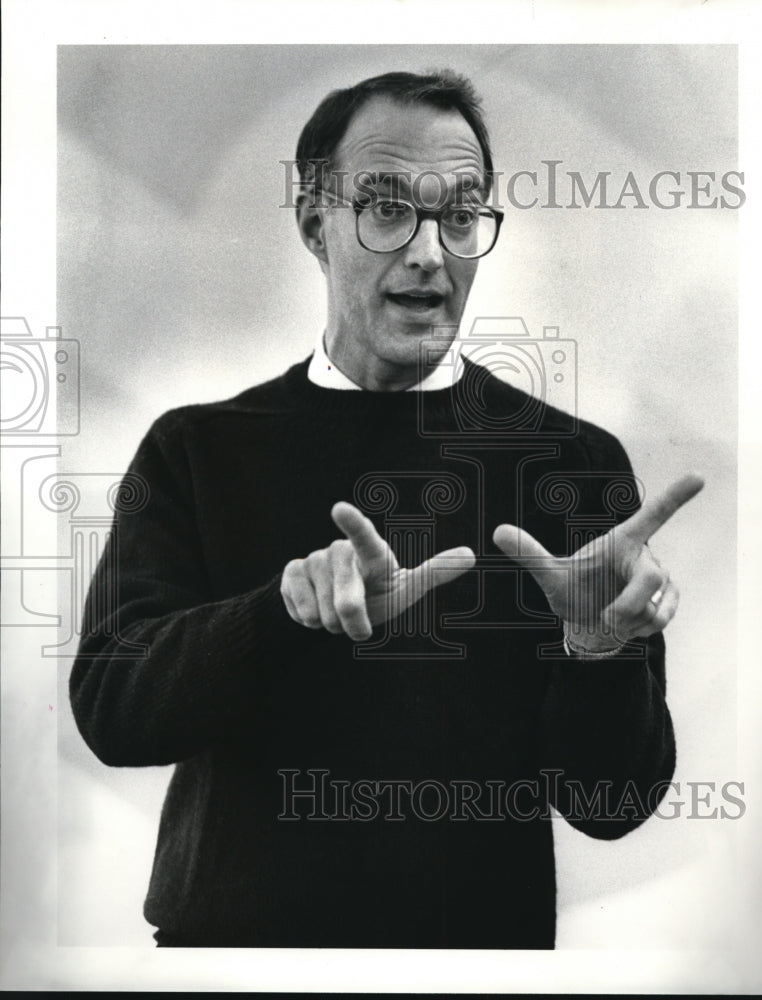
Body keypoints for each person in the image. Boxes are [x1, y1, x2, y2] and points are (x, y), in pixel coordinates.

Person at [69, 70, 703, 949]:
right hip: (232, 960)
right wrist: (281, 613)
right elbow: (113, 710)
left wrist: (598, 650)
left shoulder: (572, 466)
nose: (428, 252)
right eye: (385, 206)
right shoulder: (197, 448)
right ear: (312, 224)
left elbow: (609, 805)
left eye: (459, 214)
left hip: (476, 963)